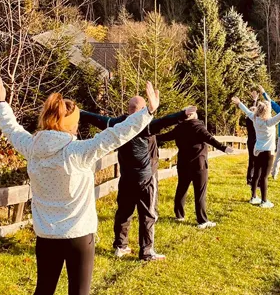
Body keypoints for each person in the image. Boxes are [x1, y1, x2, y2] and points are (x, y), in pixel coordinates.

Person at [0, 76, 159, 295]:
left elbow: (11, 128)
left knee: (43, 290)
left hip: (46, 235)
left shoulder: (32, 146)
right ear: (71, 125)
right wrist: (147, 113)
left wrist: (2, 102)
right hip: (79, 235)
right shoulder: (78, 151)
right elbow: (116, 135)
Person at [80, 100, 195, 261]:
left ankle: (121, 246)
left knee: (124, 212)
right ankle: (147, 251)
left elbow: (96, 118)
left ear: (128, 109)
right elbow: (163, 122)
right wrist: (182, 114)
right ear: (142, 111)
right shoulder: (143, 124)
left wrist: (79, 112)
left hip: (126, 177)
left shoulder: (117, 124)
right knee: (148, 214)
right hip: (145, 178)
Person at [156, 107, 235, 228]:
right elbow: (210, 139)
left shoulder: (179, 128)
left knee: (182, 189)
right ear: (194, 115)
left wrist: (149, 136)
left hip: (183, 163)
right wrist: (224, 148)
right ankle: (202, 220)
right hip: (199, 164)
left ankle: (179, 215)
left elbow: (163, 137)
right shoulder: (198, 127)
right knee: (200, 192)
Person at [232, 95, 280, 208]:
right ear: (267, 112)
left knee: (256, 174)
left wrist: (239, 103)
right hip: (268, 152)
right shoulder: (269, 122)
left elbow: (247, 111)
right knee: (264, 177)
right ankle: (264, 201)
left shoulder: (255, 119)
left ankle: (253, 197)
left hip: (257, 150)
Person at [245, 91, 258, 186]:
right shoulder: (253, 120)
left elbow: (251, 111)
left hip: (251, 141)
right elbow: (253, 113)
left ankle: (250, 179)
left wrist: (255, 101)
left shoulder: (249, 119)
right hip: (254, 142)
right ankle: (251, 180)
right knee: (254, 161)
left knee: (252, 161)